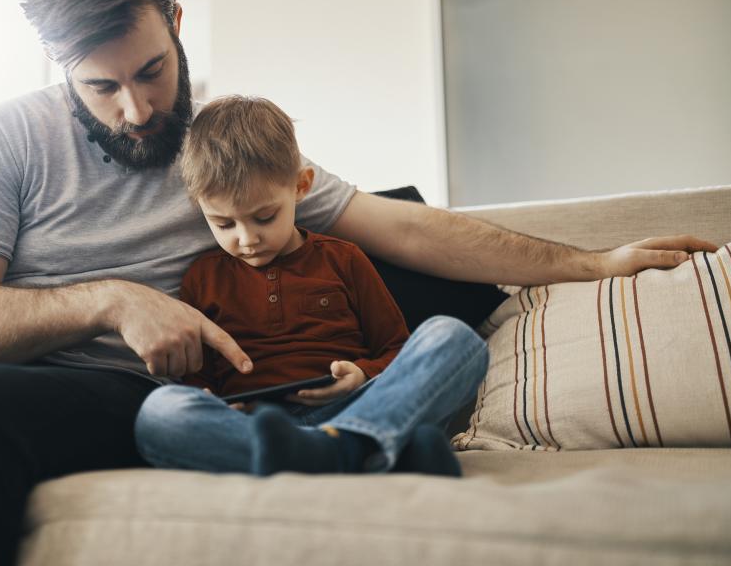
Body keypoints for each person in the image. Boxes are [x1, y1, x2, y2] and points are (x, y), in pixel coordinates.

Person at [0, 0, 716, 565]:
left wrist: (592, 262)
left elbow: (409, 229)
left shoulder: (227, 149)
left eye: (150, 72)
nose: (137, 109)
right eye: (101, 87)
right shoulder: (5, 137)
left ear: (178, 25)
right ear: (58, 70)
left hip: (121, 393)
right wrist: (113, 297)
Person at [134, 95, 489, 477]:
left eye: (265, 217)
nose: (247, 238)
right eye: (224, 224)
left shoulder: (344, 258)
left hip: (355, 406)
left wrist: (362, 374)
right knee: (160, 413)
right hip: (257, 427)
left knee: (456, 339)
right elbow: (199, 377)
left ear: (301, 187)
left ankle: (339, 444)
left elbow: (396, 349)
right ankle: (366, 450)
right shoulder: (202, 278)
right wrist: (214, 402)